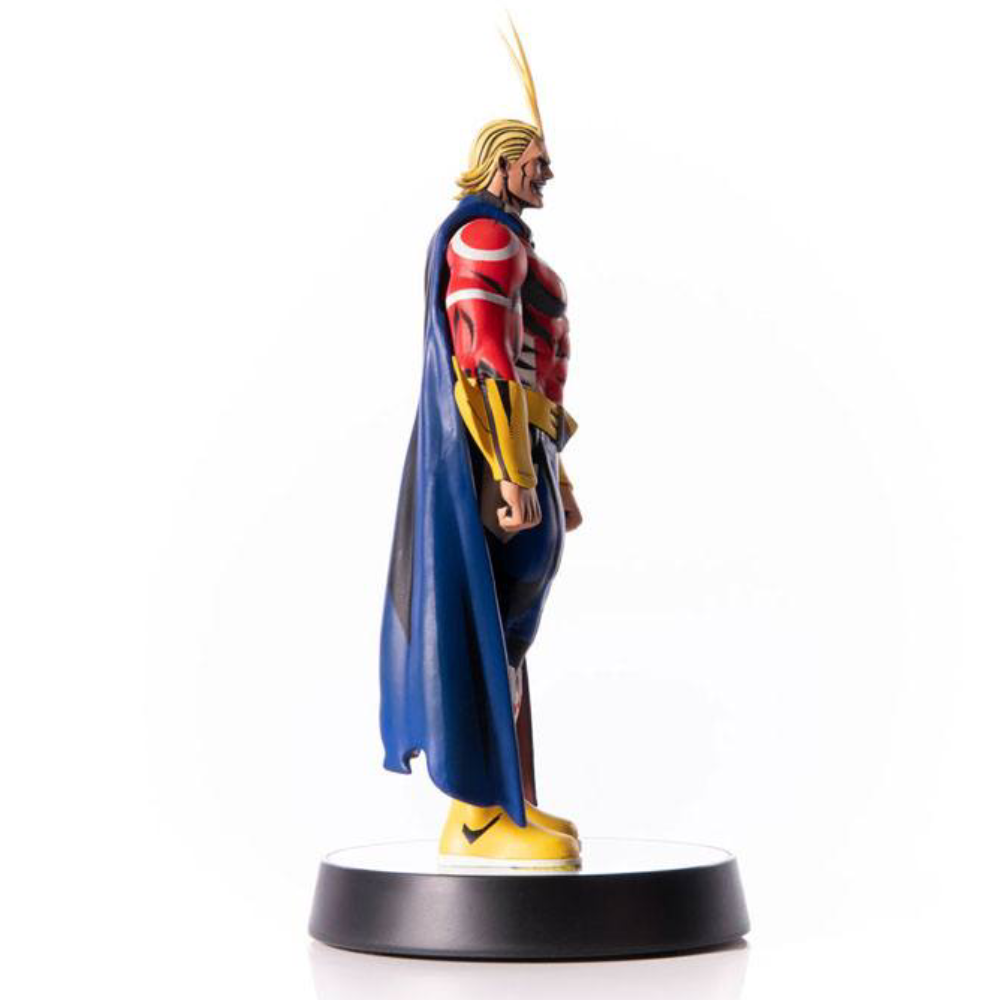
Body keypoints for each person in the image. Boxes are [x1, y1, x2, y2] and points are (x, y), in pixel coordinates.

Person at [379, 23, 583, 868]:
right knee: (487, 621)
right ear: (502, 163)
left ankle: (508, 801)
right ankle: (476, 815)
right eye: (537, 162)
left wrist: (553, 473)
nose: (547, 175)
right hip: (492, 457)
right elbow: (485, 360)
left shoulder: (510, 239)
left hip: (526, 448)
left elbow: (536, 370)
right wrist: (510, 472)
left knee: (513, 623)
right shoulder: (486, 239)